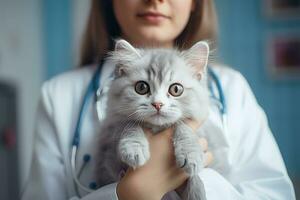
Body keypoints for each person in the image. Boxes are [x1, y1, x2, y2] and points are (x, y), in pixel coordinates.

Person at [22, 0, 296, 200]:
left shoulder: (233, 88)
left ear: (195, 4)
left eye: (175, 90)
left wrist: (200, 185)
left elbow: (274, 193)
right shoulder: (58, 95)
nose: (155, 0)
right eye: (142, 87)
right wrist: (129, 194)